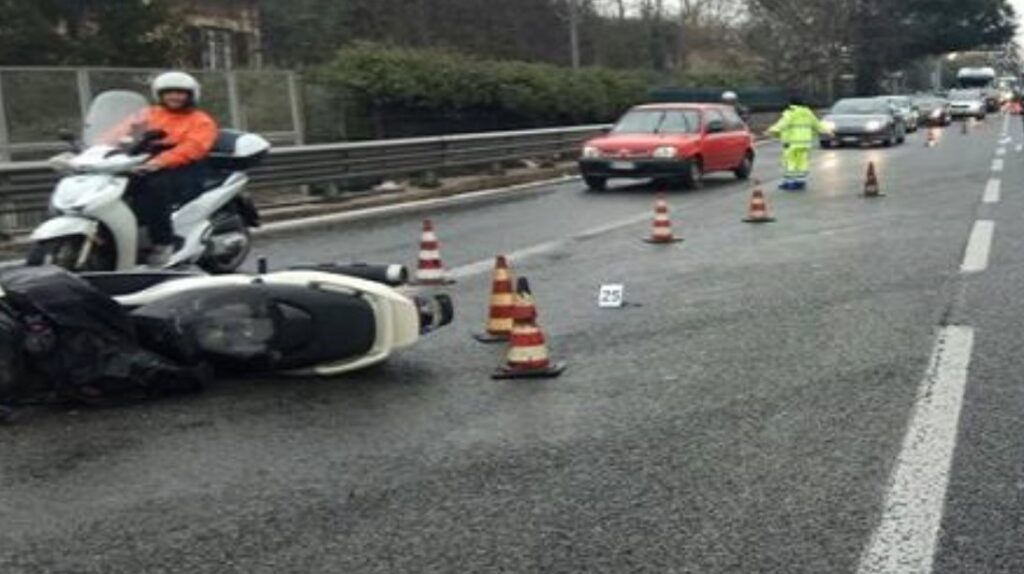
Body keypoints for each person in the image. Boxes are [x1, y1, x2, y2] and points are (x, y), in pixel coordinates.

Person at [131, 71, 218, 266]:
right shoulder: (147, 114)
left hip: (185, 168)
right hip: (144, 163)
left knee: (154, 188)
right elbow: (120, 132)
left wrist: (160, 162)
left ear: (191, 95)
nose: (174, 97)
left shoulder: (200, 120)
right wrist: (95, 150)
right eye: (169, 92)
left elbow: (193, 147)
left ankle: (163, 242)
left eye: (180, 93)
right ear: (160, 94)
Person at [767, 95, 831, 190]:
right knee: (802, 162)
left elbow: (782, 124)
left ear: (791, 104)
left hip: (791, 142)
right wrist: (828, 131)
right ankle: (800, 181)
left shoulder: (790, 113)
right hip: (805, 143)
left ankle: (790, 182)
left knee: (790, 162)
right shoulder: (808, 113)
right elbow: (817, 125)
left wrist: (770, 130)